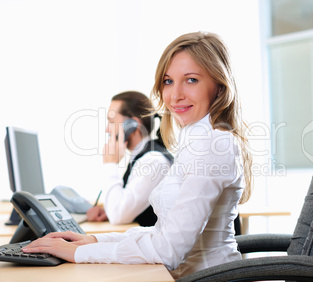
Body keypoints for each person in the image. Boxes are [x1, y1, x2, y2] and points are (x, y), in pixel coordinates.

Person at [22, 31, 253, 279]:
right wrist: (92, 240)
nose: (175, 95)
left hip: (206, 278)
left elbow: (168, 250)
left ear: (219, 86)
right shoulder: (194, 142)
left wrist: (79, 253)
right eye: (168, 81)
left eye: (191, 80)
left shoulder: (213, 146)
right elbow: (160, 232)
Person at [86, 91, 173, 226]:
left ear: (133, 124)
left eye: (111, 121)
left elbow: (117, 217)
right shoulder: (141, 157)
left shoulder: (153, 161)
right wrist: (108, 211)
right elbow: (121, 209)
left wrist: (110, 164)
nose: (107, 129)